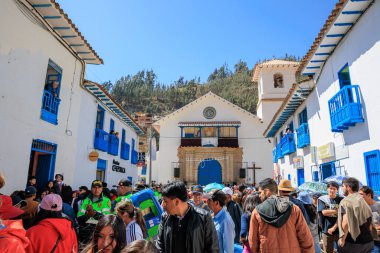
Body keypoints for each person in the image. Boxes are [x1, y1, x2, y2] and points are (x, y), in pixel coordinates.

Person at [248, 178, 313, 253]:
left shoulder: (257, 212)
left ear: (267, 192)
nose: (259, 195)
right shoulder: (294, 209)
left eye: (260, 192)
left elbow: (253, 243)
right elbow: (305, 238)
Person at [156, 181, 219, 253]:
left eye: (165, 201)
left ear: (176, 202)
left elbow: (213, 249)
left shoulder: (204, 218)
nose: (163, 205)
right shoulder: (165, 218)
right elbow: (159, 246)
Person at [338, 177, 374, 253]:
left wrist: (342, 239)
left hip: (354, 244)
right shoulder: (362, 200)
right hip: (368, 242)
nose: (342, 188)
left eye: (343, 186)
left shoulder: (346, 201)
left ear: (348, 187)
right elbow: (370, 221)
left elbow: (346, 223)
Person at [318, 181, 343, 253]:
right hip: (326, 230)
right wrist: (338, 210)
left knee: (342, 250)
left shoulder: (341, 199)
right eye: (330, 188)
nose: (332, 190)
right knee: (328, 251)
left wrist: (334, 227)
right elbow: (324, 212)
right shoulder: (322, 199)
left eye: (334, 189)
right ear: (327, 189)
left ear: (337, 190)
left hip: (340, 231)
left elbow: (342, 215)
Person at [360, 186, 380, 252]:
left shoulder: (378, 206)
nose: (359, 197)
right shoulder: (361, 208)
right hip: (370, 240)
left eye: (361, 194)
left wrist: (377, 228)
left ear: (368, 195)